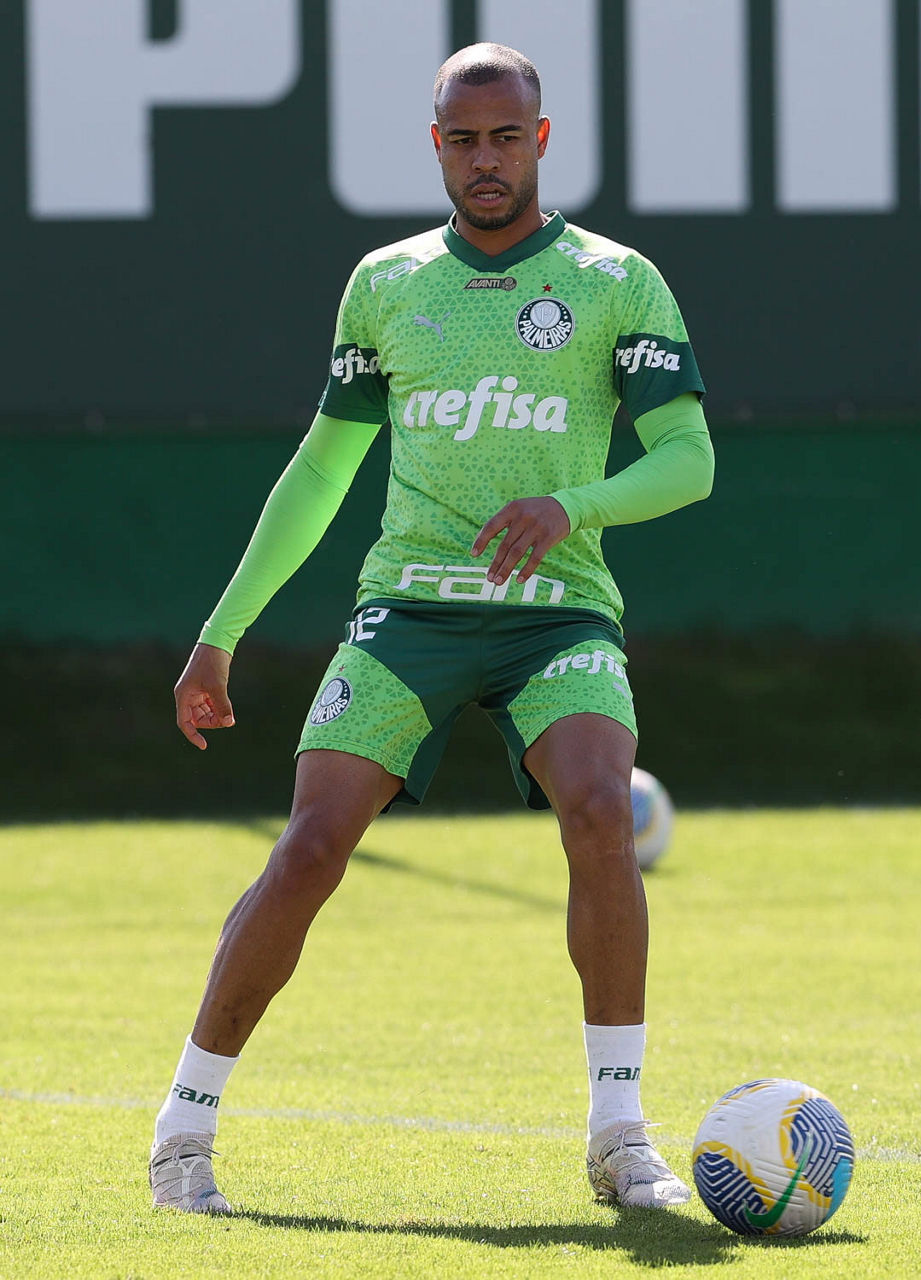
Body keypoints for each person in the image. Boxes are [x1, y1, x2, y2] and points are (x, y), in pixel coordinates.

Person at [150, 43, 714, 1215]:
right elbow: (321, 471)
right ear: (437, 145)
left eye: (507, 137)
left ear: (541, 140)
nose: (485, 159)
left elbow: (689, 460)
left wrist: (574, 504)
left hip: (558, 611)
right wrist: (222, 631)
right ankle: (183, 1130)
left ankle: (621, 1136)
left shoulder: (617, 281)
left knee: (600, 808)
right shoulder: (388, 284)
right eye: (464, 139)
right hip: (408, 609)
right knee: (312, 845)